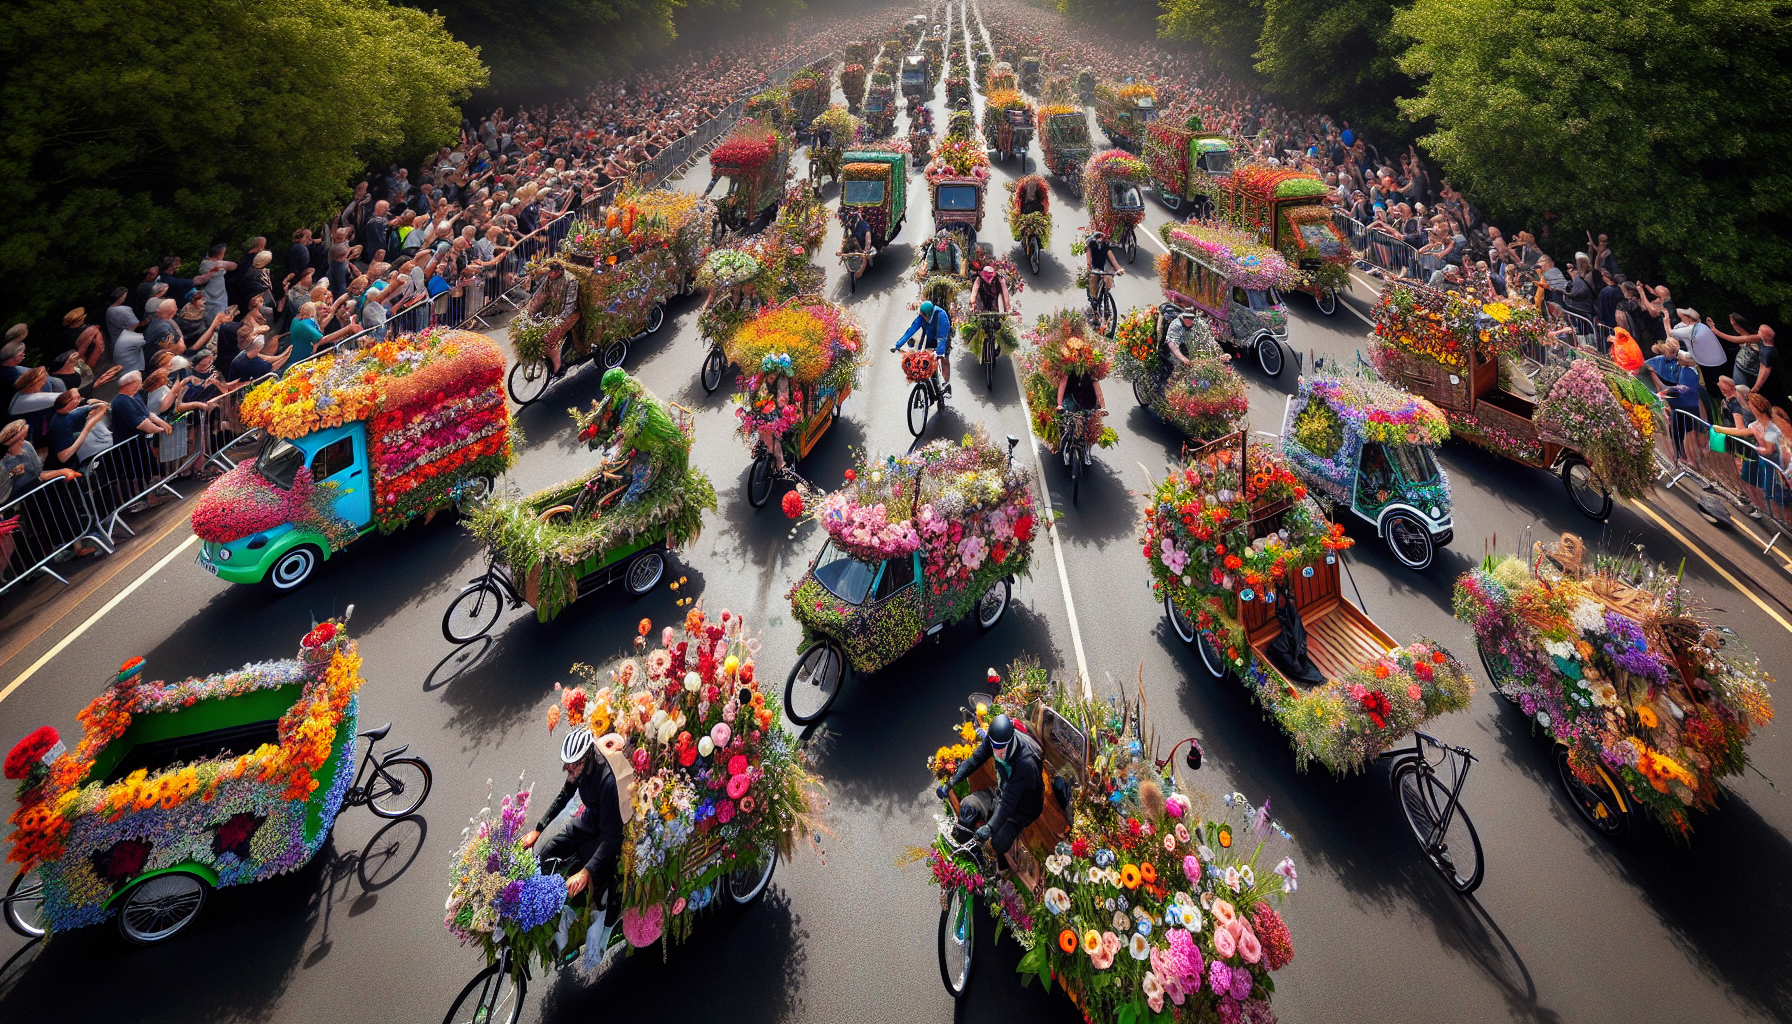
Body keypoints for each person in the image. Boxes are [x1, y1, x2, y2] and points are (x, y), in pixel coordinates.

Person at [519, 728, 628, 955]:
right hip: (589, 822)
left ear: (588, 758)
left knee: (580, 879)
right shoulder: (577, 772)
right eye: (567, 767)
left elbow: (612, 838)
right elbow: (564, 795)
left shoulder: (607, 782)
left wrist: (585, 873)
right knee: (547, 853)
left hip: (606, 833)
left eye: (573, 766)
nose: (569, 771)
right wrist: (538, 830)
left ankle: (575, 936)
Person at [934, 713, 1044, 872]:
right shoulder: (996, 741)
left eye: (1001, 747)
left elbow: (1008, 803)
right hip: (1000, 794)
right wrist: (951, 783)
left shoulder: (1025, 762)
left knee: (998, 842)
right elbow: (974, 760)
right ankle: (971, 855)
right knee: (968, 808)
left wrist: (990, 828)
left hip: (1022, 807)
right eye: (994, 746)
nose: (997, 752)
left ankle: (1004, 866)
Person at [526, 261, 582, 376]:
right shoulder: (548, 278)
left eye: (550, 273)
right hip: (553, 309)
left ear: (557, 272)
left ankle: (558, 367)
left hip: (570, 314)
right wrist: (530, 310)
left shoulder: (571, 281)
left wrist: (556, 321)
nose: (548, 276)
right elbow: (541, 295)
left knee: (550, 337)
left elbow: (569, 307)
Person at [894, 299, 954, 398]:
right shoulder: (922, 317)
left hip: (943, 337)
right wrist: (898, 345)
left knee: (943, 359)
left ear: (929, 314)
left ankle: (946, 384)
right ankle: (928, 381)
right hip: (930, 338)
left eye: (924, 316)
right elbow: (911, 330)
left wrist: (939, 353)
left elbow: (942, 337)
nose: (922, 317)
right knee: (923, 358)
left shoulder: (941, 316)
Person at [1085, 228, 1122, 317]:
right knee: (1093, 277)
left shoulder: (1105, 247)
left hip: (1102, 267)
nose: (1100, 240)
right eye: (1098, 238)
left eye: (1102, 238)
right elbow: (1089, 260)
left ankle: (1106, 296)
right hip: (1094, 268)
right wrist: (1089, 268)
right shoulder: (1090, 246)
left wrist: (1118, 268)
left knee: (1108, 277)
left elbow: (1111, 257)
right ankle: (1094, 299)